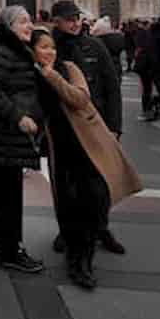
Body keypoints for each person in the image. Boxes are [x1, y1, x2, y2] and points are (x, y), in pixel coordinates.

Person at [32, 29, 142, 288]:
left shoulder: (69, 69)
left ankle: (85, 260)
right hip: (59, 146)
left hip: (87, 142)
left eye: (52, 47)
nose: (50, 52)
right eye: (43, 47)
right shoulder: (29, 74)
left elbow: (80, 98)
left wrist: (50, 74)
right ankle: (74, 257)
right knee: (67, 203)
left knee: (93, 198)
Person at [0, 6, 46, 274]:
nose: (30, 26)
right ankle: (12, 251)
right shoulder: (3, 51)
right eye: (23, 22)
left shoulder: (11, 49)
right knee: (10, 197)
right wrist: (18, 117)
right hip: (3, 135)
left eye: (30, 21)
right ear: (9, 26)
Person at [50, 1, 126, 256]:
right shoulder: (50, 48)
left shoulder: (95, 46)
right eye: (68, 19)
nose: (75, 23)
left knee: (99, 182)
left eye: (77, 18)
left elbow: (112, 87)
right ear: (56, 21)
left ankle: (101, 227)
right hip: (63, 126)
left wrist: (114, 127)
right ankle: (66, 231)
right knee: (64, 183)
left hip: (95, 123)